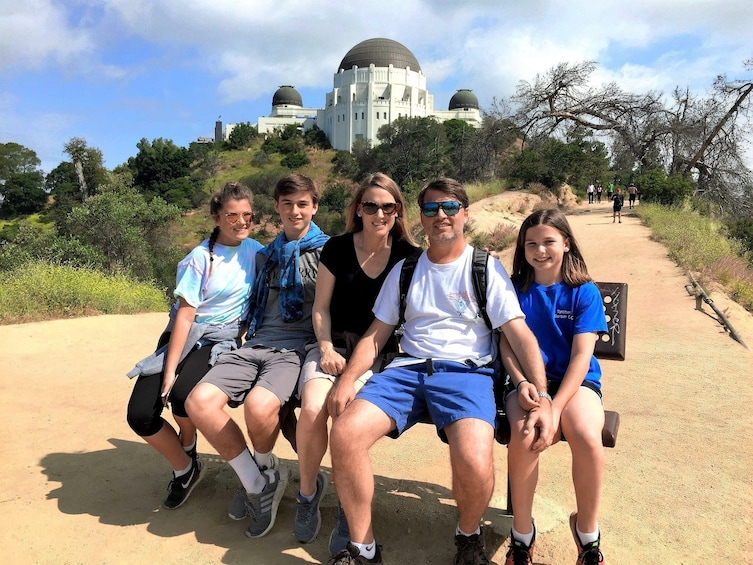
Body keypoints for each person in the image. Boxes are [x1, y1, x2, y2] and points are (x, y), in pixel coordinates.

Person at [326, 178, 551, 565]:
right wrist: (347, 380)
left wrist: (542, 396)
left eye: (449, 208)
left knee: (476, 460)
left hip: (466, 373)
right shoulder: (406, 269)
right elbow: (376, 335)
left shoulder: (484, 268)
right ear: (421, 219)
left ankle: (468, 536)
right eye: (431, 209)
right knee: (346, 434)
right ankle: (363, 549)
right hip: (407, 370)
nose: (440, 216)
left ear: (465, 214)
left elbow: (520, 334)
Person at [186, 173, 329, 538]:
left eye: (302, 204)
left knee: (259, 407)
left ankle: (265, 477)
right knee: (199, 402)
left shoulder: (330, 252)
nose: (295, 211)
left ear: (314, 206)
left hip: (296, 348)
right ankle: (260, 479)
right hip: (255, 342)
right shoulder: (266, 254)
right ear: (277, 208)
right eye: (287, 204)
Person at [294, 173, 419, 549]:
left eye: (387, 206)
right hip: (332, 347)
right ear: (358, 209)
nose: (378, 213)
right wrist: (326, 347)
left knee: (345, 414)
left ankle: (348, 511)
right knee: (314, 408)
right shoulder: (337, 248)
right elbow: (320, 307)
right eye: (370, 206)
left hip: (375, 355)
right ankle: (307, 493)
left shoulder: (408, 257)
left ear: (397, 211)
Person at [126, 181, 263, 509]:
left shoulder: (257, 252)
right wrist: (169, 370)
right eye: (232, 215)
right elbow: (185, 318)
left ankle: (188, 441)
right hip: (182, 336)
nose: (241, 221)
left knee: (186, 399)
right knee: (141, 414)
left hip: (220, 340)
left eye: (247, 215)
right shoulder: (199, 259)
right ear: (217, 217)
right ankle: (186, 466)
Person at [501, 208, 608, 565]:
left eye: (549, 241)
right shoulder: (515, 289)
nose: (540, 250)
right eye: (531, 244)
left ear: (566, 243)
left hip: (575, 385)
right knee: (525, 434)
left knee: (587, 435)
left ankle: (587, 535)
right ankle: (521, 535)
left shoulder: (583, 292)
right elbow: (506, 344)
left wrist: (556, 407)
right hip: (528, 382)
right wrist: (520, 383)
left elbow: (582, 357)